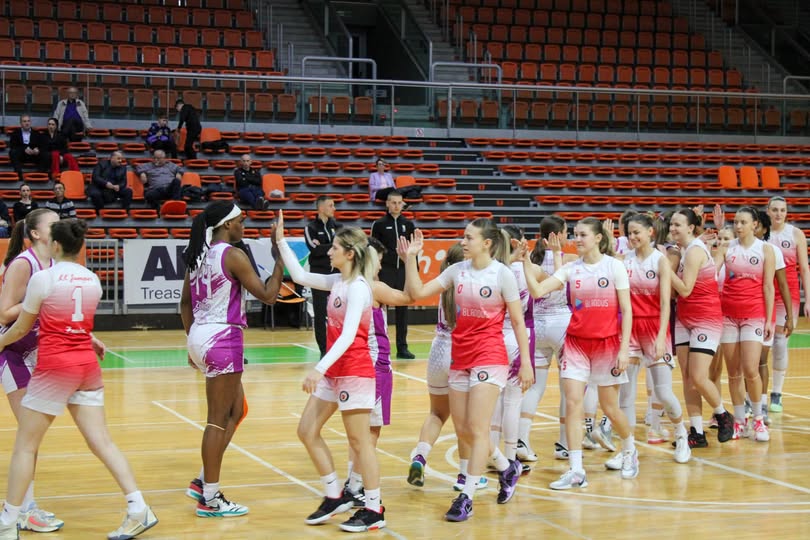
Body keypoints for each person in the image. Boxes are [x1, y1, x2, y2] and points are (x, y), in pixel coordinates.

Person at [0, 218, 159, 540]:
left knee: (25, 447)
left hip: (55, 367)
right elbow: (77, 325)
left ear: (55, 244)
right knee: (102, 442)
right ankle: (138, 507)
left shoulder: (43, 278)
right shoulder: (93, 280)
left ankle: (7, 523)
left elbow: (19, 328)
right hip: (86, 366)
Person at [403, 219, 532, 521]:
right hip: (459, 355)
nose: (463, 241)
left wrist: (525, 362)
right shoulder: (456, 271)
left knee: (477, 428)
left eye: (469, 237)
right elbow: (417, 292)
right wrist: (410, 258)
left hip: (490, 355)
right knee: (464, 430)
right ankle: (506, 468)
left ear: (486, 243)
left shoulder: (502, 274)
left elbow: (517, 321)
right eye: (463, 236)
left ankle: (466, 497)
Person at [275, 210, 387, 533]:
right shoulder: (337, 281)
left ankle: (374, 508)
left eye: (335, 248)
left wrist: (318, 368)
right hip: (335, 371)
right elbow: (298, 275)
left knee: (360, 441)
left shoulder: (359, 288)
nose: (329, 252)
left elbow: (350, 335)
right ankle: (334, 494)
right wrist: (281, 241)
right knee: (307, 430)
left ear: (349, 254)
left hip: (354, 370)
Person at [180, 202, 285, 518]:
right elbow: (268, 295)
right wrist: (280, 256)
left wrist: (193, 341)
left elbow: (185, 303)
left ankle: (202, 480)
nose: (243, 226)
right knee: (216, 419)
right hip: (222, 338)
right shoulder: (232, 254)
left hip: (200, 335)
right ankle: (210, 498)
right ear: (227, 224)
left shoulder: (198, 255)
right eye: (240, 221)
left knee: (238, 410)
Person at [522, 217, 637, 490]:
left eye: (583, 234)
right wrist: (525, 261)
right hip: (576, 344)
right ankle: (576, 470)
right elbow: (537, 291)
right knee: (573, 403)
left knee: (610, 407)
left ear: (598, 238)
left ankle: (630, 449)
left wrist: (624, 349)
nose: (577, 239)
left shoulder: (614, 266)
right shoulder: (570, 269)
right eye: (575, 234)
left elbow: (627, 310)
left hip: (607, 345)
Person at [0, 209, 62, 535]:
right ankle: (23, 509)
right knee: (29, 436)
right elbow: (4, 312)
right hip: (13, 354)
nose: (60, 227)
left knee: (32, 437)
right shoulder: (24, 264)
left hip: (37, 354)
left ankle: (23, 507)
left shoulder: (54, 263)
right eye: (53, 224)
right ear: (35, 233)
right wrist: (40, 303)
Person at [408, 244, 488, 491]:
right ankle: (464, 475)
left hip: (438, 350)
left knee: (436, 413)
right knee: (463, 421)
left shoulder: (444, 285)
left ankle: (420, 456)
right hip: (459, 351)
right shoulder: (471, 285)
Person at [343, 237, 413, 507]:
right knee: (370, 432)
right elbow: (410, 297)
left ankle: (353, 482)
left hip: (352, 365)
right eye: (379, 261)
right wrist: (409, 261)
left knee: (357, 431)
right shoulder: (373, 287)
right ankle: (355, 486)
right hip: (374, 365)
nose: (381, 267)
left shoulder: (347, 285)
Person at [617, 213, 691, 464]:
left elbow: (666, 304)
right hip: (630, 329)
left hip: (654, 328)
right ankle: (627, 450)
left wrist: (661, 337)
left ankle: (681, 434)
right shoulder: (624, 261)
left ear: (650, 232)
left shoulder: (660, 261)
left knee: (663, 392)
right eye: (629, 232)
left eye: (637, 232)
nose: (632, 236)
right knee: (625, 395)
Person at [669, 208, 734, 447]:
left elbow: (685, 289)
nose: (673, 228)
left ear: (690, 228)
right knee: (688, 378)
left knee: (698, 376)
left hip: (705, 318)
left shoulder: (695, 250)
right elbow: (677, 293)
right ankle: (696, 432)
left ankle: (723, 414)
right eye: (671, 224)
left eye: (678, 224)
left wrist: (664, 268)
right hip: (684, 317)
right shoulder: (684, 251)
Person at [716, 207, 775, 441]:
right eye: (736, 222)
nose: (738, 226)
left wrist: (769, 319)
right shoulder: (727, 248)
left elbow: (768, 287)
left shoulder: (766, 250)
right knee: (733, 372)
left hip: (754, 315)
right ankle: (739, 421)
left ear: (755, 225)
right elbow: (709, 271)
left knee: (751, 369)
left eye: (743, 222)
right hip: (728, 315)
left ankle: (758, 419)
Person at [518, 216, 574, 462]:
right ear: (557, 235)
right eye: (566, 233)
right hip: (562, 324)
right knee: (567, 388)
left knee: (535, 387)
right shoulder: (568, 259)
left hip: (537, 326)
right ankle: (564, 443)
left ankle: (521, 440)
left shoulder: (532, 260)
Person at [765, 196, 810, 413]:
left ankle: (777, 393)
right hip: (763, 290)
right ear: (768, 211)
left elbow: (805, 268)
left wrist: (808, 299)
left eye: (782, 210)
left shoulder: (795, 234)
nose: (778, 214)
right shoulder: (761, 233)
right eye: (774, 209)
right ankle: (752, 396)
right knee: (760, 343)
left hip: (787, 293)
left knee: (780, 342)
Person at [752, 209, 792, 426]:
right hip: (741, 312)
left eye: (756, 225)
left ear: (763, 228)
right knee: (744, 363)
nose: (751, 228)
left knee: (760, 361)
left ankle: (762, 404)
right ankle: (748, 402)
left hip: (765, 311)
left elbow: (783, 285)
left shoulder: (773, 251)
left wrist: (789, 316)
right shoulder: (736, 248)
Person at [370, 191, 416, 359]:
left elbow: (413, 250)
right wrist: (374, 274)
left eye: (399, 203)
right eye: (394, 202)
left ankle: (402, 347)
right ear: (387, 204)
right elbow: (373, 249)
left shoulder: (408, 224)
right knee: (382, 310)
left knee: (403, 309)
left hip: (402, 270)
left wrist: (413, 270)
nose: (397, 206)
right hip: (386, 271)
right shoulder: (379, 224)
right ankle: (381, 345)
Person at [305, 196, 340, 357]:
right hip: (318, 274)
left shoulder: (338, 227)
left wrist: (323, 247)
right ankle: (323, 350)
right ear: (321, 208)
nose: (334, 208)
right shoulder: (310, 227)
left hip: (337, 273)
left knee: (338, 312)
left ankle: (338, 348)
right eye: (331, 205)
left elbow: (344, 246)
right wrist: (333, 246)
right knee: (320, 313)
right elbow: (315, 250)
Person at [9, 115, 48, 181]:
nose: (27, 123)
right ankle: (19, 174)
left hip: (34, 155)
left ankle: (40, 174)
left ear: (30, 122)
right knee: (12, 152)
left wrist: (38, 149)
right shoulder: (15, 133)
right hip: (22, 156)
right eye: (24, 121)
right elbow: (13, 146)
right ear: (21, 123)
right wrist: (24, 149)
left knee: (45, 154)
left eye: (28, 121)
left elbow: (43, 146)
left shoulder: (37, 133)